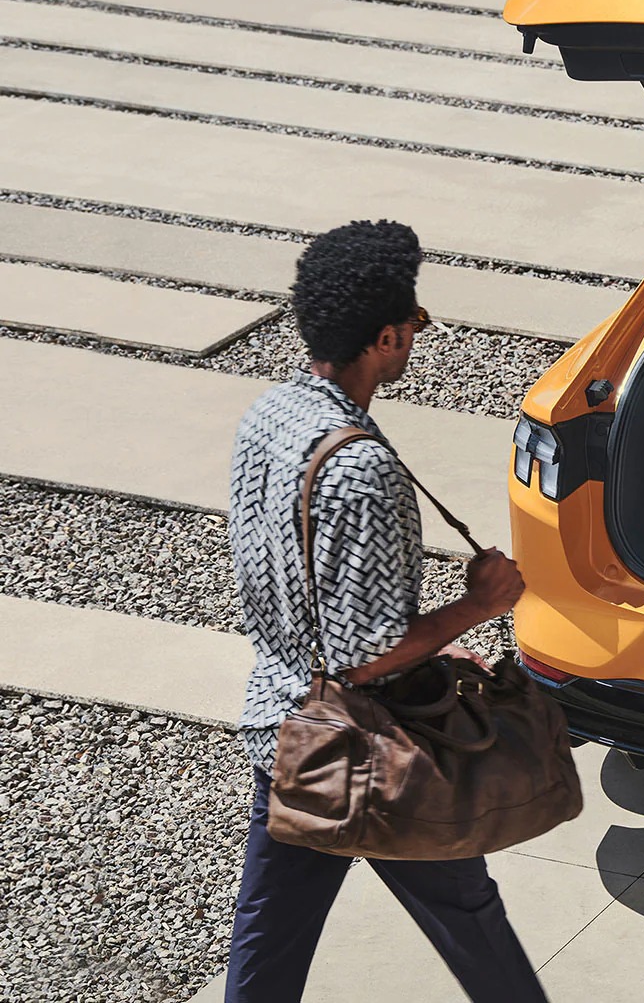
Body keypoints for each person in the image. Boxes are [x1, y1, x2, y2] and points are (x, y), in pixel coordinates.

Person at [222, 220, 547, 1002]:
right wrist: (478, 606)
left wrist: (428, 650)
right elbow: (364, 656)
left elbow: (304, 602)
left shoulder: (270, 417)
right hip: (372, 753)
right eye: (413, 327)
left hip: (288, 740)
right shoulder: (362, 469)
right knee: (471, 918)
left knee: (266, 950)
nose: (416, 340)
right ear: (386, 336)